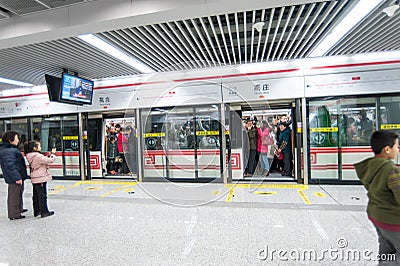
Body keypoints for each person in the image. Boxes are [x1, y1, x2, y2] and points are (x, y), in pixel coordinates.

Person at [354, 130, 400, 264]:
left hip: (376, 214)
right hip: (392, 219)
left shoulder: (369, 166)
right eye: (396, 146)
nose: (397, 150)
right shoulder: (391, 170)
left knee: (386, 249)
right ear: (387, 149)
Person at [0, 131, 28, 220]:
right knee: (14, 194)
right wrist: (17, 177)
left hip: (18, 175)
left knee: (19, 193)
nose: (18, 140)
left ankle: (19, 209)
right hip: (14, 177)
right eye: (17, 138)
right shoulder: (8, 151)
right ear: (10, 139)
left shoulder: (11, 149)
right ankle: (14, 214)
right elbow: (10, 165)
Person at [25, 141, 55, 218]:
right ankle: (44, 212)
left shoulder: (30, 155)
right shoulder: (37, 156)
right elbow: (50, 160)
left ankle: (37, 211)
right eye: (39, 146)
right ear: (34, 148)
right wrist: (53, 154)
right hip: (40, 177)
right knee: (42, 195)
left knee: (36, 195)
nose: (40, 147)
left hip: (35, 177)